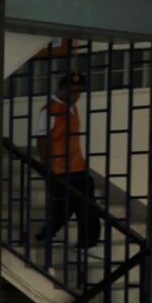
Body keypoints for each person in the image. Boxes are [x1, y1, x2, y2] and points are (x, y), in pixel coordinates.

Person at [33, 71, 101, 255]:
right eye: (72, 91)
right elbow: (42, 138)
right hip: (59, 169)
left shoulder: (72, 108)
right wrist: (47, 165)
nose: (76, 95)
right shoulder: (50, 109)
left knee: (67, 207)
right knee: (80, 206)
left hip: (77, 166)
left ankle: (45, 235)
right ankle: (87, 245)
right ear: (62, 89)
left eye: (79, 91)